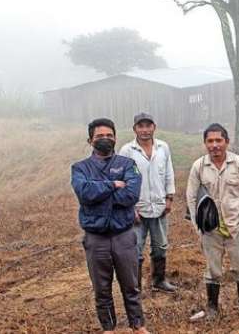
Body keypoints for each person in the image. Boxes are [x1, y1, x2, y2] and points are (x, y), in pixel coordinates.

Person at [70, 118, 149, 334]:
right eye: (99, 136)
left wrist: (99, 193)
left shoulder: (127, 164)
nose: (105, 139)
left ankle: (138, 325)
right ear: (90, 140)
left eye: (109, 135)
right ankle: (108, 328)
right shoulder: (80, 168)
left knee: (131, 285)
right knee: (101, 288)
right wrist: (113, 185)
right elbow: (84, 193)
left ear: (115, 138)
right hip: (96, 238)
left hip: (124, 235)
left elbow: (130, 195)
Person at [186, 123, 239, 321]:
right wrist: (198, 226)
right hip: (211, 230)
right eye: (210, 141)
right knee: (213, 269)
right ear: (205, 143)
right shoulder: (199, 166)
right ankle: (212, 307)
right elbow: (191, 198)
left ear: (227, 141)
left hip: (236, 226)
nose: (215, 145)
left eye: (219, 140)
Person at [118, 112, 177, 293]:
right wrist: (130, 207)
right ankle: (135, 287)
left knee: (160, 246)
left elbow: (168, 173)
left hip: (159, 207)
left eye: (148, 126)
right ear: (134, 128)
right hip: (138, 209)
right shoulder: (127, 151)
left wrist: (169, 198)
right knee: (135, 249)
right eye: (140, 126)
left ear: (154, 127)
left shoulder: (162, 148)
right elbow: (121, 181)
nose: (144, 130)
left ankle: (159, 280)